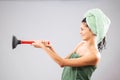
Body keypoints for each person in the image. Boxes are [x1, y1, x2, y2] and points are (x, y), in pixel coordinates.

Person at [32, 8, 111, 80]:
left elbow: (62, 63)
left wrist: (43, 47)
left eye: (82, 29)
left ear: (93, 30)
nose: (80, 32)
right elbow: (64, 61)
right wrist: (50, 48)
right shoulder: (81, 44)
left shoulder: (94, 56)